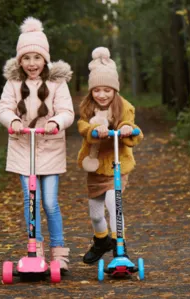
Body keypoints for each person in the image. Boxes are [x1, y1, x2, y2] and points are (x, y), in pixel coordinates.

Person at [0, 17, 74, 271]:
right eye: (26, 58)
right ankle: (35, 251)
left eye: (37, 58)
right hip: (23, 148)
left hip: (49, 147)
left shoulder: (56, 82)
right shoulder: (13, 83)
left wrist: (55, 122)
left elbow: (67, 111)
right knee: (31, 201)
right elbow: (3, 109)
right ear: (20, 61)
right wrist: (13, 121)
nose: (32, 64)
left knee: (50, 202)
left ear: (45, 59)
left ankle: (59, 253)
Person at [77, 47, 144, 264]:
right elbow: (82, 126)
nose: (102, 95)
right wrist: (93, 131)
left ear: (115, 90)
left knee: (112, 203)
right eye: (97, 90)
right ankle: (102, 240)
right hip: (95, 167)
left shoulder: (124, 106)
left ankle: (119, 247)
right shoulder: (87, 107)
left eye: (107, 90)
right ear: (91, 91)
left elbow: (132, 126)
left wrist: (125, 128)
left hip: (116, 165)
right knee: (96, 214)